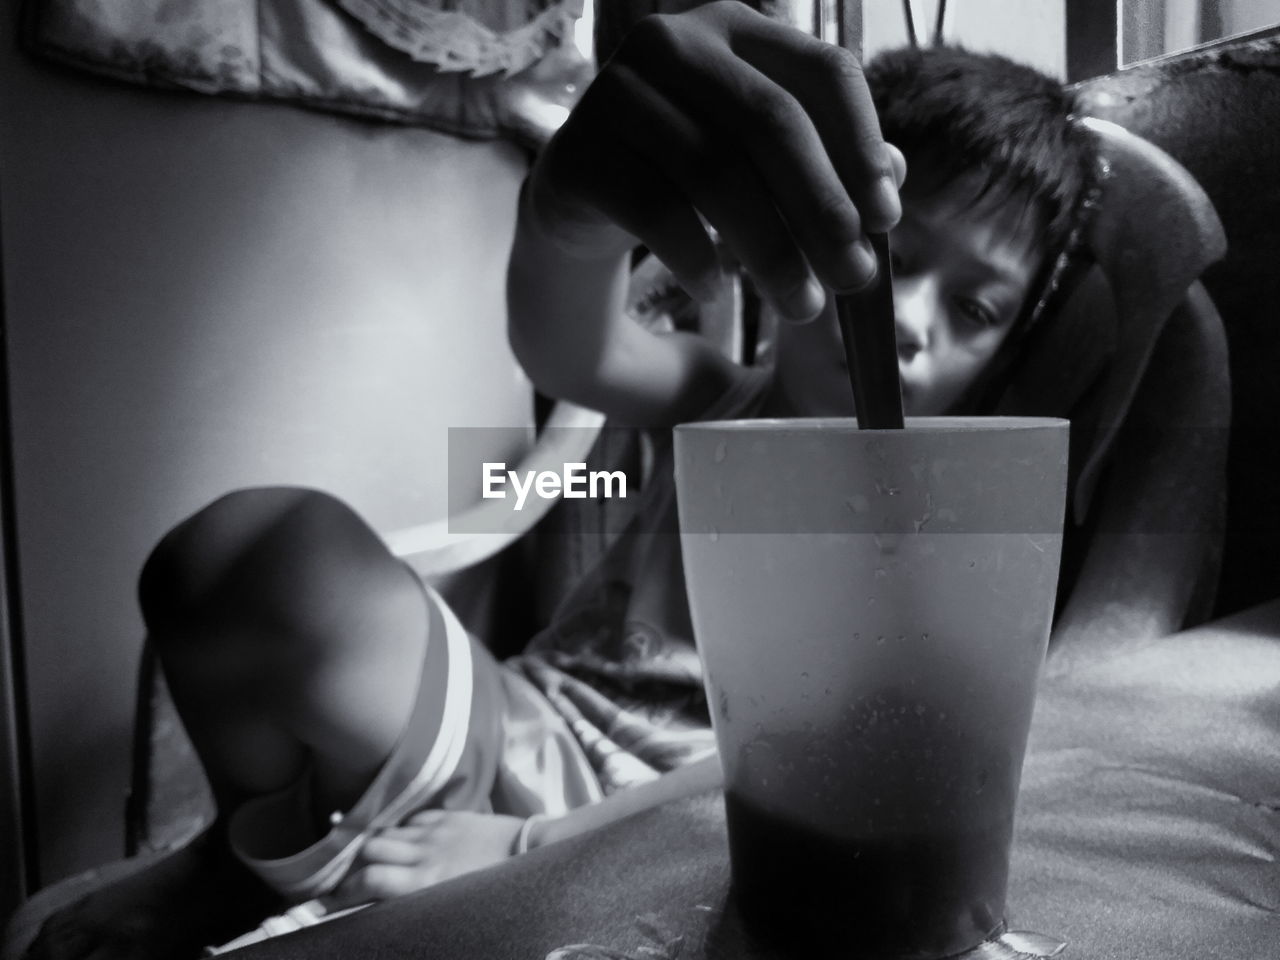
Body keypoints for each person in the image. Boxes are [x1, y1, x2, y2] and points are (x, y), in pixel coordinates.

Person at [19, 3, 1219, 959]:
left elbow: (872, 760)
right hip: (515, 722)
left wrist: (533, 842)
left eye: (974, 309)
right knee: (248, 551)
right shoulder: (717, 400)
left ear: (1013, 352)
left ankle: (293, 855)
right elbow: (565, 347)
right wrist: (569, 206)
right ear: (799, 235)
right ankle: (242, 851)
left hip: (681, 818)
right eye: (891, 261)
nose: (906, 323)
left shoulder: (936, 525)